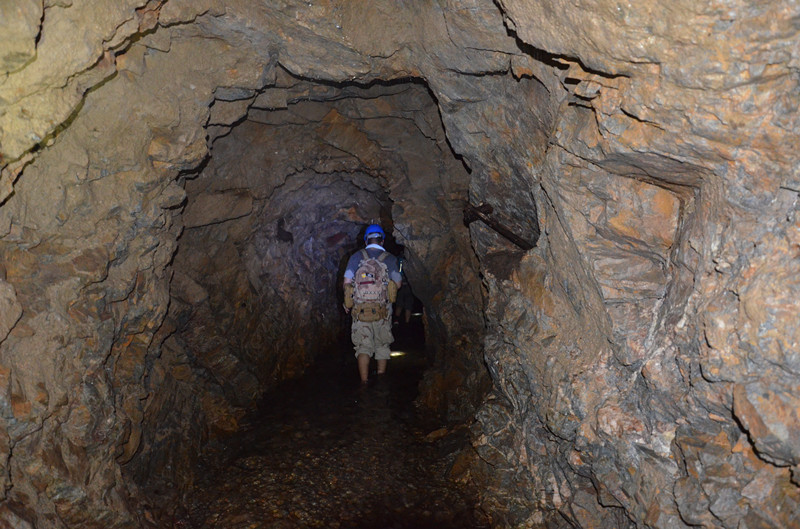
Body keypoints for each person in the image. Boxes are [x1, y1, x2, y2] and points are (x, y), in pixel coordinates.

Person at [342, 224, 402, 384]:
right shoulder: (390, 258)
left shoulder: (356, 257)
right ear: (382, 240)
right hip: (383, 310)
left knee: (363, 346)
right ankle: (381, 380)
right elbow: (398, 284)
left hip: (360, 309)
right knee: (382, 345)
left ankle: (364, 382)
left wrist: (347, 303)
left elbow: (347, 283)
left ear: (365, 240)